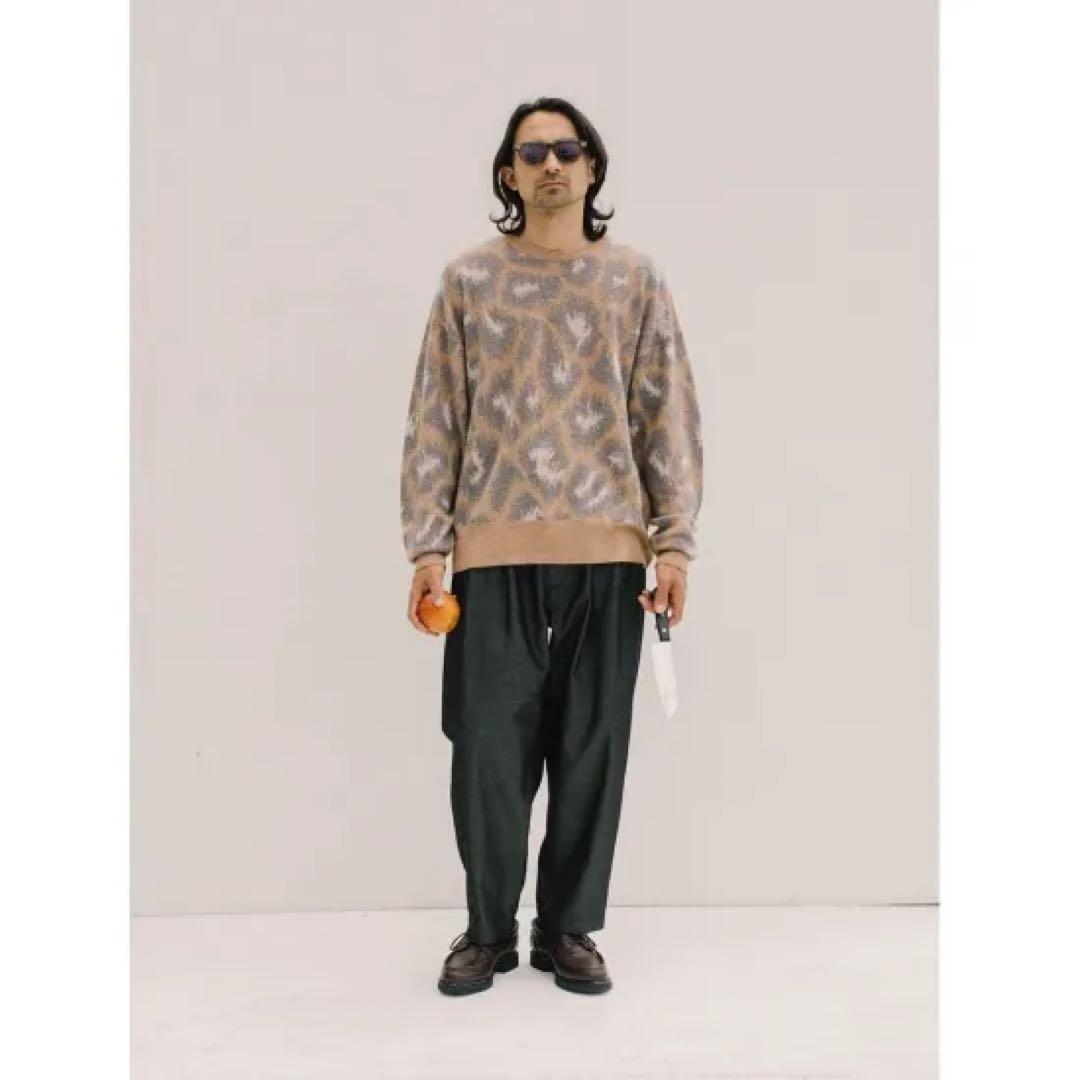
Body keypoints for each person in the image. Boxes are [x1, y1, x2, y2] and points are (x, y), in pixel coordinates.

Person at [399, 96, 704, 996]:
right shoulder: (468, 282)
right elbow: (435, 417)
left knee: (591, 748)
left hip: (609, 556)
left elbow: (665, 414)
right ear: (509, 173)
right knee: (486, 751)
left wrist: (674, 547)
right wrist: (427, 550)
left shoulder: (634, 281)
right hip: (490, 554)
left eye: (568, 150)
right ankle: (488, 929)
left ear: (593, 166)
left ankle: (567, 928)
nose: (552, 166)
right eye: (532, 154)